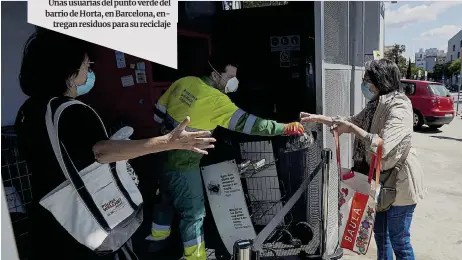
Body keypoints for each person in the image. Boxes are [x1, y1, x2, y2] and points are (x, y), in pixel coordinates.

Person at [15, 29, 216, 260]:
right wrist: (169, 141)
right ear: (68, 73)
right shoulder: (71, 111)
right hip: (90, 223)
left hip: (52, 218)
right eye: (85, 64)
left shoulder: (28, 111)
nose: (90, 68)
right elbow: (101, 152)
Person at [148, 52, 305, 260]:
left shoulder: (183, 82)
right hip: (184, 164)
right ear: (215, 74)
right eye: (230, 76)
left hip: (160, 155)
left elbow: (157, 113)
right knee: (194, 214)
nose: (234, 82)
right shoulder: (217, 100)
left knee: (164, 199)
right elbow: (252, 125)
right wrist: (285, 128)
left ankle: (156, 243)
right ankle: (195, 257)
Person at [300, 59, 426, 260]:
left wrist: (352, 130)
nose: (364, 84)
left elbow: (384, 145)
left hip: (401, 183)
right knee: (381, 238)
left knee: (399, 240)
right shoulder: (375, 104)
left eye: (368, 80)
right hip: (379, 181)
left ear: (381, 80)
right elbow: (352, 121)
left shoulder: (400, 106)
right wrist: (320, 119)